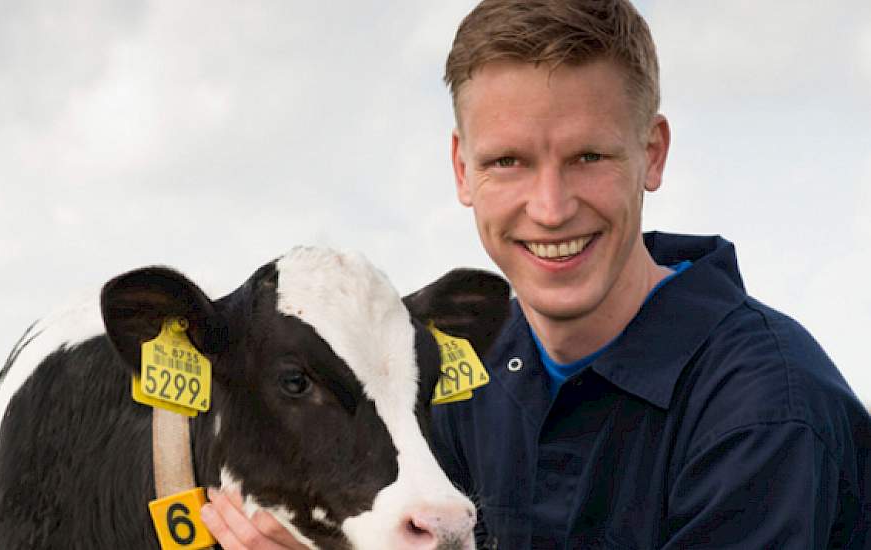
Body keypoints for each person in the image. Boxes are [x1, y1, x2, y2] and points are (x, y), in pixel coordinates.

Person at [201, 0, 871, 548]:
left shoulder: (766, 415)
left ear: (653, 154)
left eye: (588, 157)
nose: (550, 209)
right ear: (462, 170)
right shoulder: (451, 385)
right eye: (508, 162)